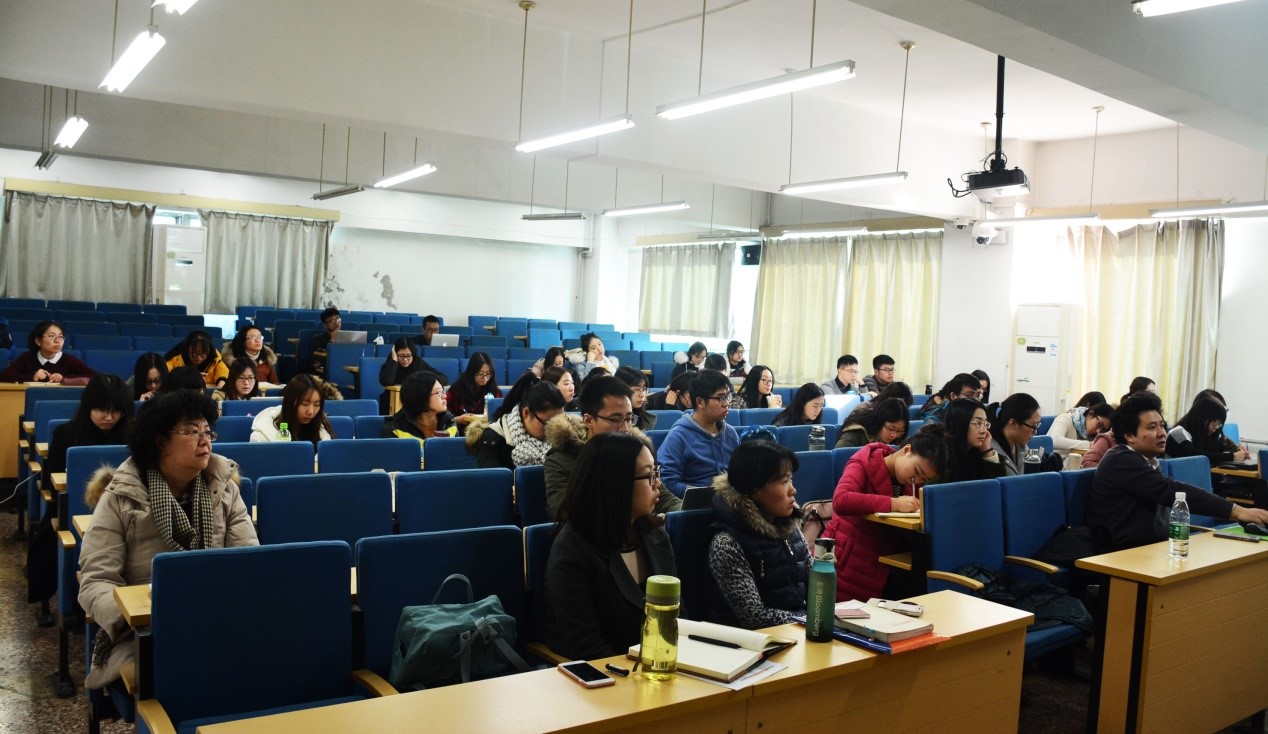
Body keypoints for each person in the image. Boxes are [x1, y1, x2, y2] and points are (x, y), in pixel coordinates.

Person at [78, 390, 257, 688]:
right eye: (191, 432)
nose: (205, 441)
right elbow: (96, 581)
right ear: (160, 442)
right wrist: (137, 615)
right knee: (190, 670)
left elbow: (247, 563)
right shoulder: (121, 497)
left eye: (207, 431)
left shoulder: (224, 489)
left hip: (217, 617)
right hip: (145, 631)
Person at [545, 432, 676, 660]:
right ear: (616, 483)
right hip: (608, 671)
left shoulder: (655, 534)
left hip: (659, 664)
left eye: (657, 472)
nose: (658, 484)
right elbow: (586, 646)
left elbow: (677, 614)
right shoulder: (572, 550)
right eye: (649, 475)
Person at [1086, 393, 1268, 552]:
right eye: (1152, 427)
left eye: (1162, 425)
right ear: (1129, 435)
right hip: (1121, 556)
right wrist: (1238, 511)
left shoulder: (1147, 460)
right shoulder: (1120, 460)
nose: (1162, 433)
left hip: (1152, 550)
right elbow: (1171, 490)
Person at [30, 375, 135, 610]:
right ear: (88, 407)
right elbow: (50, 481)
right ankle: (47, 602)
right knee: (47, 538)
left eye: (116, 411)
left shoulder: (133, 436)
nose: (109, 417)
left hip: (124, 509)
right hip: (73, 506)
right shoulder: (66, 434)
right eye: (102, 410)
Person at [821, 431, 947, 602]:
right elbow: (841, 500)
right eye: (917, 471)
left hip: (882, 559)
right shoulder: (863, 462)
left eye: (923, 478)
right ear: (906, 450)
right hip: (848, 557)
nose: (916, 480)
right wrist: (893, 503)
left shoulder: (910, 482)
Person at [702, 440, 809, 628]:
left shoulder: (791, 529)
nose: (793, 490)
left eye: (791, 479)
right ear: (754, 491)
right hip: (748, 641)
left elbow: (814, 583)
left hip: (797, 630)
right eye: (784, 482)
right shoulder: (727, 543)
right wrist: (809, 620)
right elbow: (754, 617)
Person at [544, 376, 680, 520]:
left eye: (629, 419)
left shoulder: (638, 452)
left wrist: (684, 512)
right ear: (589, 420)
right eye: (615, 419)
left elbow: (665, 499)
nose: (625, 428)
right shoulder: (561, 459)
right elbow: (565, 511)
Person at [657, 370, 741, 497]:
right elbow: (667, 482)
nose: (727, 403)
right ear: (700, 402)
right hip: (697, 505)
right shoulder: (679, 436)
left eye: (728, 397)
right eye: (721, 398)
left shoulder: (730, 433)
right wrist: (706, 496)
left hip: (731, 501)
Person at [465, 374, 566, 469]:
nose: (553, 430)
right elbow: (493, 480)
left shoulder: (564, 438)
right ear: (526, 413)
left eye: (558, 424)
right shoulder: (492, 439)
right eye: (547, 424)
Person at [930, 398, 1007, 483]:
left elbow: (998, 485)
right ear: (960, 423)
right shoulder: (939, 455)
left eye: (985, 424)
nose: (984, 430)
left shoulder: (976, 453)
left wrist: (987, 450)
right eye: (978, 423)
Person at [0, 321, 95, 385]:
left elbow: (95, 377)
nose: (58, 341)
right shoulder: (27, 357)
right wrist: (32, 377)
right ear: (38, 341)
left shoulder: (69, 360)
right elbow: (4, 376)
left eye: (61, 337)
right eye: (52, 336)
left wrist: (63, 378)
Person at [250, 374, 334, 445]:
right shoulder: (262, 437)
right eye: (305, 404)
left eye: (316, 405)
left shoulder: (323, 433)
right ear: (290, 402)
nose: (311, 411)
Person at [1166, 395, 1248, 464]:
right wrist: (1232, 457)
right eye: (1214, 422)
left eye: (1219, 424)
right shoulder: (1178, 433)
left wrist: (1239, 453)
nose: (1216, 427)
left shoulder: (1203, 435)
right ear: (1201, 417)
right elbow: (1193, 455)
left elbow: (1221, 448)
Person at [378, 336, 448, 414]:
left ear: (413, 354)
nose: (405, 359)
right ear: (395, 354)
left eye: (408, 356)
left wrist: (425, 382)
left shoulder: (418, 363)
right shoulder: (390, 363)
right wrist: (394, 361)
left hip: (415, 403)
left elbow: (443, 378)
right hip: (391, 403)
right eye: (401, 356)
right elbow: (386, 381)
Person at [382, 372, 456, 442]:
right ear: (422, 396)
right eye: (439, 392)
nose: (444, 396)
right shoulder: (394, 429)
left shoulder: (448, 422)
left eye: (443, 391)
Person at [986, 393, 1042, 475]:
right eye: (1033, 426)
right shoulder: (990, 452)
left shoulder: (1022, 446)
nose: (1035, 432)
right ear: (1013, 423)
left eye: (1037, 425)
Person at [445, 352, 502, 431]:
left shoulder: (495, 392)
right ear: (472, 372)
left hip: (488, 432)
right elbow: (444, 418)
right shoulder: (456, 390)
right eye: (481, 373)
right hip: (461, 431)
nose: (485, 378)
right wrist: (458, 419)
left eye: (488, 374)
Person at [1047, 401, 1113, 458]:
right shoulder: (1066, 418)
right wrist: (1088, 444)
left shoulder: (1092, 436)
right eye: (1099, 425)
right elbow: (1054, 441)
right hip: (1052, 463)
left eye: (1103, 430)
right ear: (1090, 414)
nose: (1098, 431)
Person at [164, 330, 228, 388]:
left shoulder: (215, 359)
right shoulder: (175, 360)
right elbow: (165, 377)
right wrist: (190, 379)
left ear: (209, 351)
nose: (199, 358)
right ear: (187, 349)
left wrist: (220, 387)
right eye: (194, 353)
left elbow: (224, 373)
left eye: (203, 354)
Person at [835, 397, 909, 448]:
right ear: (880, 420)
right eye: (891, 429)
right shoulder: (856, 432)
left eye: (900, 431)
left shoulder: (898, 439)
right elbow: (840, 458)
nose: (894, 435)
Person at [613, 365, 655, 429]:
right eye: (636, 390)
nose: (642, 395)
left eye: (644, 389)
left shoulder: (647, 420)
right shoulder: (610, 421)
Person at [310, 307, 341, 376]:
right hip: (327, 372)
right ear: (325, 325)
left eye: (337, 319)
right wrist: (332, 339)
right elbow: (320, 360)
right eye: (331, 321)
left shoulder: (347, 337)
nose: (336, 323)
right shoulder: (318, 339)